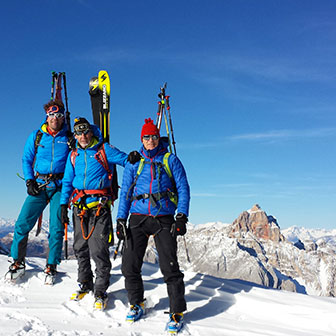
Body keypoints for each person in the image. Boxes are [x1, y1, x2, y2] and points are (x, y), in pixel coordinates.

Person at [116, 118, 190, 332]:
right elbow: (125, 192)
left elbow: (183, 188)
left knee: (170, 268)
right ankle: (137, 303)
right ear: (142, 138)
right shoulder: (133, 161)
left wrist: (182, 216)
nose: (150, 140)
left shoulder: (171, 160)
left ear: (159, 138)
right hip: (137, 216)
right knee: (129, 265)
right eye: (146, 137)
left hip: (163, 217)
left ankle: (176, 312)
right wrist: (121, 219)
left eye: (154, 136)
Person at [60, 117, 135, 309]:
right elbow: (68, 181)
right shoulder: (73, 154)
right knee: (80, 248)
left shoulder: (104, 150)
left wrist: (135, 159)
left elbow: (126, 160)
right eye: (79, 133)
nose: (83, 136)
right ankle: (85, 282)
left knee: (98, 250)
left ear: (91, 132)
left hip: (99, 208)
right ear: (75, 135)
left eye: (85, 132)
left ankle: (100, 290)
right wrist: (63, 204)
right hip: (78, 207)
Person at [8, 100, 71, 280]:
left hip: (60, 185)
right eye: (51, 115)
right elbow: (26, 159)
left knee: (56, 226)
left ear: (62, 117)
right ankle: (18, 261)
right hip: (40, 184)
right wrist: (29, 180)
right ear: (47, 117)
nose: (55, 119)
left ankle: (52, 264)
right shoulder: (36, 136)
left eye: (58, 115)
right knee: (22, 223)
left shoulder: (69, 137)